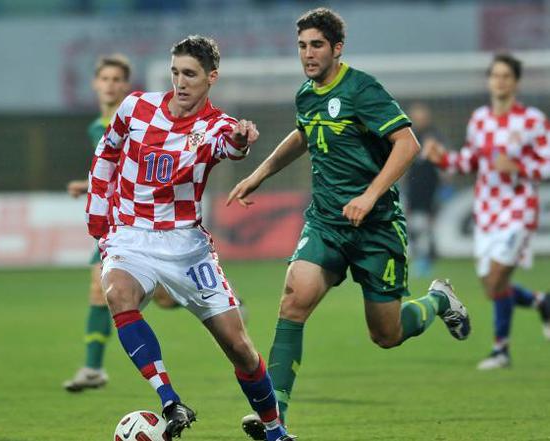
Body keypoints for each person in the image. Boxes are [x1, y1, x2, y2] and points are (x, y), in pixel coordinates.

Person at [227, 8, 471, 439]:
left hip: (376, 228)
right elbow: (303, 134)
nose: (308, 54)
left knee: (387, 334)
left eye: (316, 45)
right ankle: (274, 415)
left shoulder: (362, 89)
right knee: (293, 301)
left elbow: (407, 143)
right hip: (326, 223)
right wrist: (258, 174)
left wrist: (370, 194)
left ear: (337, 48)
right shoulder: (306, 94)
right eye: (302, 46)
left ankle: (438, 299)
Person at [86, 35, 293, 441]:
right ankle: (168, 399)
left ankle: (274, 430)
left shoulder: (214, 125)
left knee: (239, 347)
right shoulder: (135, 107)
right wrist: (98, 221)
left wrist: (241, 139)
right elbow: (107, 154)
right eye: (176, 72)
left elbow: (230, 145)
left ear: (211, 78)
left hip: (185, 246)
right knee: (117, 294)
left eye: (190, 75)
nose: (180, 82)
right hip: (129, 236)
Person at [424, 53, 550, 370]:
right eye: (495, 75)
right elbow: (470, 161)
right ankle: (541, 301)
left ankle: (500, 350)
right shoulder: (480, 118)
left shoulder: (532, 120)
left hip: (519, 209)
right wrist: (443, 159)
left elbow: (547, 163)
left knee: (496, 280)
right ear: (489, 80)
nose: (500, 81)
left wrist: (519, 166)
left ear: (516, 82)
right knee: (492, 286)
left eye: (506, 76)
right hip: (487, 210)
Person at [63, 54, 180, 392]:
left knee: (153, 295)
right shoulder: (95, 127)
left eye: (117, 80)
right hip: (113, 220)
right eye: (105, 79)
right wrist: (88, 186)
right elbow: (113, 170)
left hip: (137, 219)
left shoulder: (135, 120)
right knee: (104, 290)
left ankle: (218, 303)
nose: (110, 85)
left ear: (126, 86)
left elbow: (139, 167)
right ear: (95, 84)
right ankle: (92, 368)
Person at [403, 102, 441, 277]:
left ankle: (425, 261)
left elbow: (441, 164)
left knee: (424, 227)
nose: (418, 120)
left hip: (429, 191)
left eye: (421, 117)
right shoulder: (410, 136)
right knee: (413, 228)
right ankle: (420, 259)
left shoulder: (433, 137)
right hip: (412, 190)